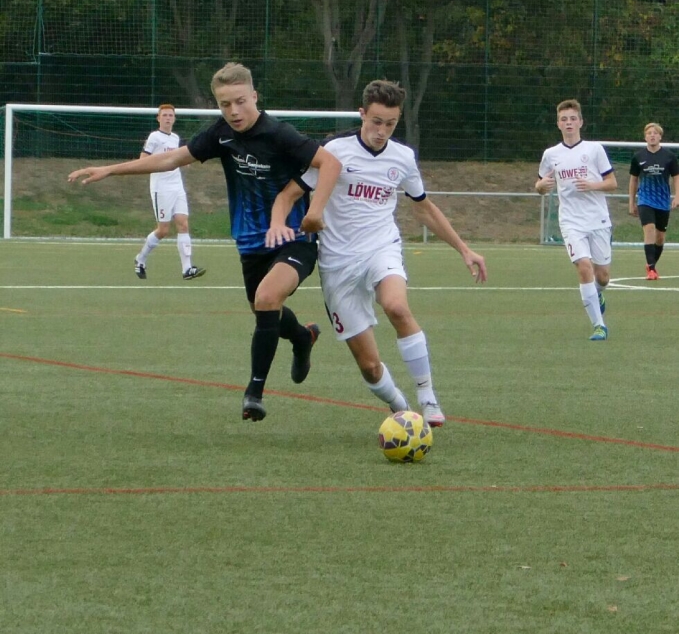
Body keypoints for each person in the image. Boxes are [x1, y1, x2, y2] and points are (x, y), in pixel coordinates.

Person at [69, 63, 342, 422]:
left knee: (266, 298)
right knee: (264, 309)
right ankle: (303, 338)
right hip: (250, 242)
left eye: (240, 101)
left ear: (254, 96)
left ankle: (254, 394)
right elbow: (171, 158)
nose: (234, 111)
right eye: (225, 104)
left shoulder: (279, 134)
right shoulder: (221, 134)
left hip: (293, 237)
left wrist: (315, 211)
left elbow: (330, 163)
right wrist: (109, 170)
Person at [267, 79, 487, 428]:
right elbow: (288, 194)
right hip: (337, 263)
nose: (382, 131)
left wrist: (464, 249)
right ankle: (402, 409)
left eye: (390, 124)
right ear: (362, 114)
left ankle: (428, 396)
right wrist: (278, 223)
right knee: (370, 366)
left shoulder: (402, 158)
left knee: (396, 306)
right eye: (376, 122)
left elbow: (424, 208)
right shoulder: (334, 152)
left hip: (381, 248)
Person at [535, 99, 617, 341]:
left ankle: (598, 293)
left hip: (598, 219)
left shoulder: (594, 150)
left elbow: (612, 183)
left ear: (581, 122)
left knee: (602, 277)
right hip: (571, 221)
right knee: (584, 267)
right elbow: (539, 185)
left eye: (572, 119)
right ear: (558, 124)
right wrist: (541, 186)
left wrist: (592, 185)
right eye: (564, 119)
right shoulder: (551, 155)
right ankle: (599, 326)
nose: (568, 123)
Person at [134, 103, 205, 281]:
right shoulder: (154, 137)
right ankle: (140, 259)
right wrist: (161, 163)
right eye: (164, 115)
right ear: (158, 118)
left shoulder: (175, 138)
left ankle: (187, 268)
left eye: (170, 115)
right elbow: (142, 160)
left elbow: (177, 158)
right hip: (161, 188)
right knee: (163, 230)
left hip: (177, 186)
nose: (167, 118)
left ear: (174, 119)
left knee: (183, 224)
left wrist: (184, 162)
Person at [628, 122, 679, 280]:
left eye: (655, 133)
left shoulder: (669, 157)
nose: (652, 135)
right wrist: (631, 202)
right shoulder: (638, 157)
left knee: (660, 237)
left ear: (660, 136)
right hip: (645, 200)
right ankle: (651, 269)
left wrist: (677, 196)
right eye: (649, 133)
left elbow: (676, 177)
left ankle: (652, 264)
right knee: (649, 229)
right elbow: (633, 180)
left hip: (663, 201)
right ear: (645, 137)